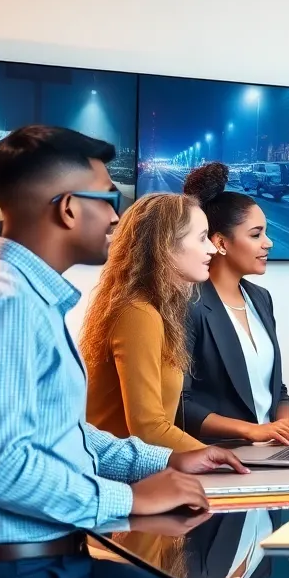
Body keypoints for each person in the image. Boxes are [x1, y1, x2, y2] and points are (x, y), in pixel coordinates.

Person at [0, 125, 289, 578]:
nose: (118, 216)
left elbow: (63, 434)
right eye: (108, 199)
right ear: (69, 208)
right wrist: (131, 500)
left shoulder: (24, 299)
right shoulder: (6, 307)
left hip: (43, 571)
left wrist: (165, 458)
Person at [180, 163, 289, 445]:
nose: (268, 243)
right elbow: (180, 405)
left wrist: (286, 426)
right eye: (256, 235)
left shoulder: (260, 299)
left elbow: (277, 389)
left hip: (269, 453)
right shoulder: (188, 306)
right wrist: (252, 431)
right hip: (220, 454)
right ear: (221, 243)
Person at [81, 192, 215, 452]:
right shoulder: (138, 313)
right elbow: (148, 430)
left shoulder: (154, 309)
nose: (212, 248)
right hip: (122, 478)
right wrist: (219, 459)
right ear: (165, 245)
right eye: (202, 238)